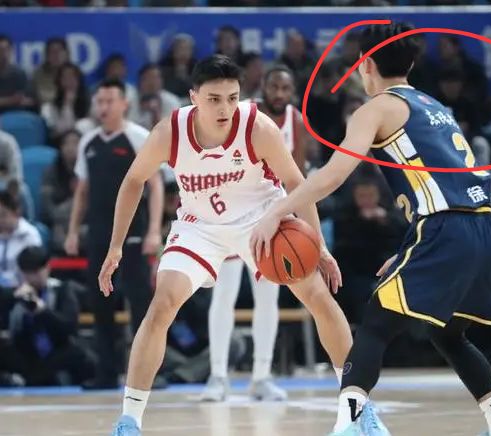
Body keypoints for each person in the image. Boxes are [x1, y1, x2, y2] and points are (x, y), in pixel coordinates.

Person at [250, 22, 491, 436]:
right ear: (410, 64)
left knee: (376, 323)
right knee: (449, 335)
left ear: (365, 64)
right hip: (480, 228)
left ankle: (348, 425)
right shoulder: (434, 105)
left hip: (446, 228)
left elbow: (334, 174)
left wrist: (278, 211)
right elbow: (445, 183)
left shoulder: (376, 108)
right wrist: (414, 246)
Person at [101, 55, 352, 435]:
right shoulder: (170, 132)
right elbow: (134, 180)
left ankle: (357, 410)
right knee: (162, 304)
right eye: (214, 99)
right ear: (193, 97)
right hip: (200, 226)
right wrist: (116, 246)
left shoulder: (258, 127)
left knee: (318, 296)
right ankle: (129, 422)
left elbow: (297, 184)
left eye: (232, 98)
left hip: (261, 221)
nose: (225, 108)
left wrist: (320, 247)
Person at [200, 64, 308, 402]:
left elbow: (298, 176)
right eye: (274, 87)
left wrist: (294, 218)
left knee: (268, 297)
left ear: (292, 92)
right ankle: (218, 376)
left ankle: (261, 377)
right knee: (224, 295)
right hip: (234, 213)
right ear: (263, 87)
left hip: (271, 217)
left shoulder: (295, 121)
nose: (279, 94)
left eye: (285, 88)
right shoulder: (243, 114)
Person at [64, 78, 164, 390]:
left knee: (140, 302)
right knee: (100, 303)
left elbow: (156, 185)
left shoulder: (138, 137)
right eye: (100, 101)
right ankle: (106, 373)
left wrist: (154, 230)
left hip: (133, 233)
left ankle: (148, 374)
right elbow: (82, 191)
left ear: (124, 104)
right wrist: (72, 231)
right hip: (98, 234)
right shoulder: (88, 142)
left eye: (110, 101)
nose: (104, 107)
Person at [8, 245, 95, 386]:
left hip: (57, 351)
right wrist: (15, 300)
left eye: (36, 272)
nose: (32, 278)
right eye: (28, 273)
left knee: (79, 353)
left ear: (47, 268)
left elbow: (69, 327)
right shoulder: (16, 294)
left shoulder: (62, 290)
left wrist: (42, 311)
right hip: (29, 355)